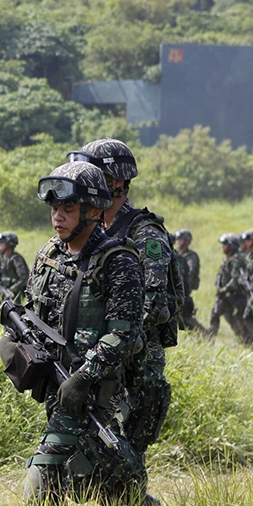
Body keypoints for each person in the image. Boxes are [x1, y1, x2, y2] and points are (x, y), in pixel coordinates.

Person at [18, 161, 148, 506]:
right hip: (54, 385)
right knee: (92, 472)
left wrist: (81, 378)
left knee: (42, 477)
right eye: (55, 209)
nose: (58, 217)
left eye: (68, 209)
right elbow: (32, 309)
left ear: (92, 212)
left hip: (93, 389)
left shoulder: (117, 260)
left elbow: (124, 333)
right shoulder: (49, 254)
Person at [68, 139, 182, 462]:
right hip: (100, 354)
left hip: (136, 362)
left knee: (122, 452)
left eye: (95, 174)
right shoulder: (92, 233)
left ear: (117, 182)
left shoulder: (145, 234)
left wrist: (113, 340)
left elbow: (151, 304)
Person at [209, 233, 249, 344]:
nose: (223, 247)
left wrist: (224, 289)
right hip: (226, 295)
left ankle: (245, 339)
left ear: (231, 246)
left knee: (235, 317)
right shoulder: (228, 259)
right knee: (220, 314)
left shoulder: (234, 260)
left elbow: (235, 279)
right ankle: (210, 339)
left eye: (225, 244)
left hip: (234, 295)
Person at [172, 229, 208, 335]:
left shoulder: (191, 256)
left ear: (187, 241)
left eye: (181, 239)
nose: (178, 241)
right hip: (179, 288)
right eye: (177, 239)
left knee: (185, 316)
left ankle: (204, 334)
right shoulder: (176, 254)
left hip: (185, 287)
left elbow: (191, 272)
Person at [0, 231, 29, 304]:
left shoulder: (16, 259)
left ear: (8, 244)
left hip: (15, 294)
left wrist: (12, 289)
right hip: (6, 292)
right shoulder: (4, 258)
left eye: (2, 243)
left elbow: (23, 278)